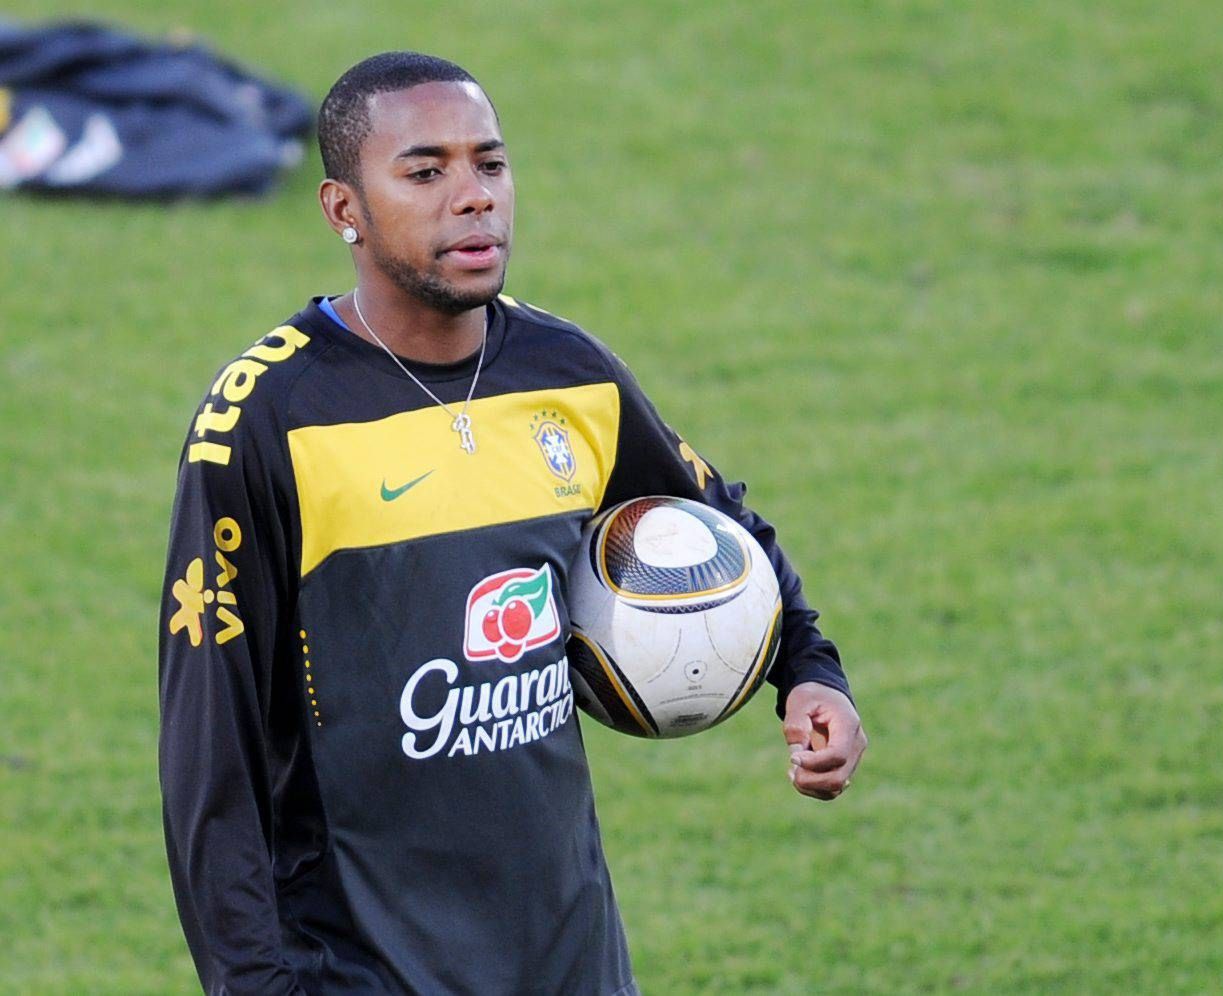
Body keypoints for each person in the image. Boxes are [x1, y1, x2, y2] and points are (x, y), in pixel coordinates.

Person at [158, 51, 868, 996]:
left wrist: (808, 670)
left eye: (489, 163)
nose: (474, 196)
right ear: (342, 209)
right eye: (425, 172)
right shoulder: (267, 419)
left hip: (570, 956)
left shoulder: (567, 374)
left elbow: (717, 519)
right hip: (358, 966)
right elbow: (211, 750)